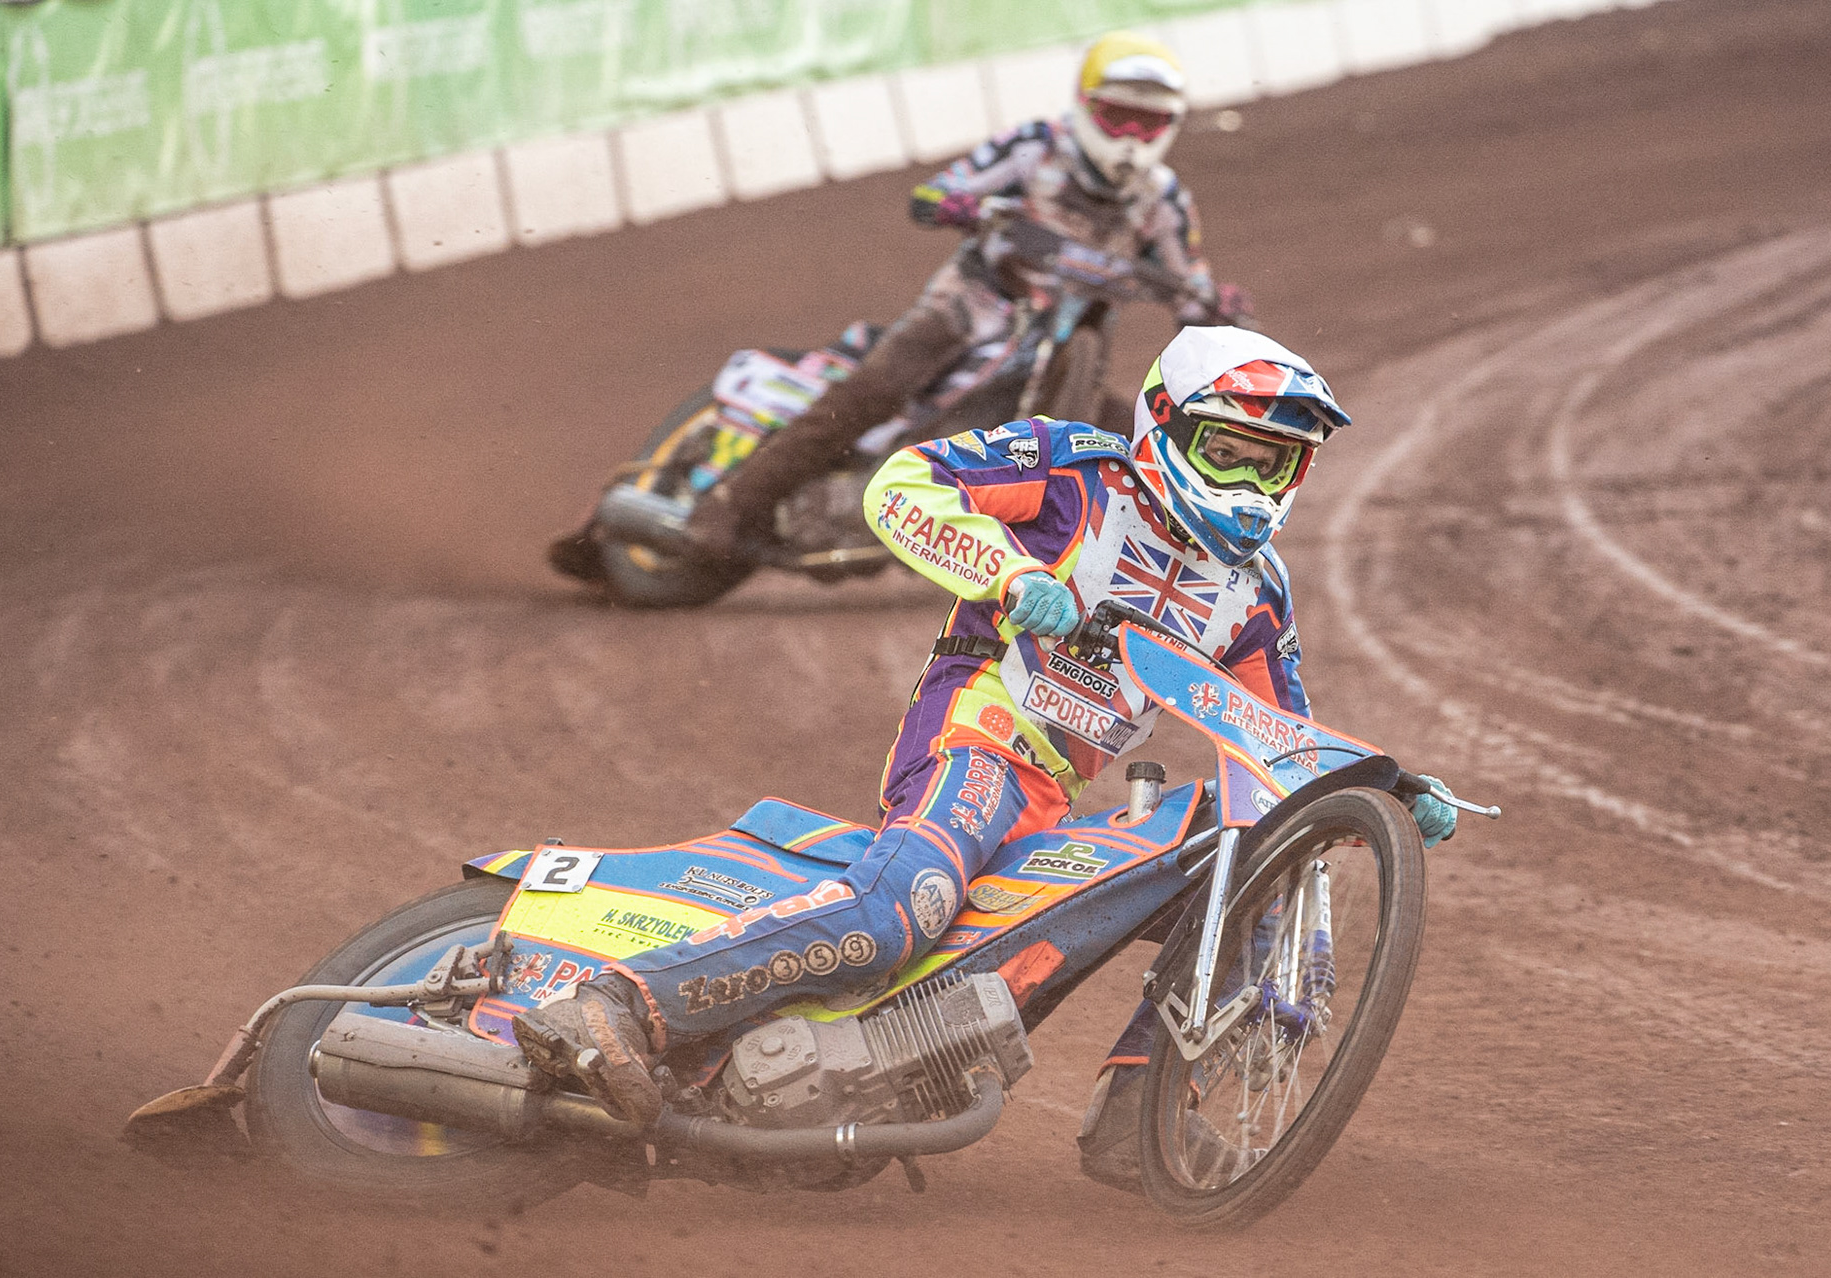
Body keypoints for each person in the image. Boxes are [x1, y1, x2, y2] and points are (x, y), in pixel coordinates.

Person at [513, 326, 1459, 1156]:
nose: (1253, 483)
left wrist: (1373, 791)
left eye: (1277, 463)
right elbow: (904, 484)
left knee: (1250, 857)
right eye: (1231, 451)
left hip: (1057, 788)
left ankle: (1141, 1108)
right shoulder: (1076, 467)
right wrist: (1010, 577)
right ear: (1165, 423)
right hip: (978, 729)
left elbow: (1273, 746)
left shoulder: (1257, 595)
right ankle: (620, 1004)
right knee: (905, 908)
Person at [679, 29, 1243, 561]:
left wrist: (1222, 318)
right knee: (877, 388)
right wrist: (956, 204)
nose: (1129, 139)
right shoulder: (1034, 147)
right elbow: (938, 191)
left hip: (1067, 347)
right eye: (1117, 117)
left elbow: (1189, 292)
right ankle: (728, 504)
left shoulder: (1163, 199)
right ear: (1085, 106)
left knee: (1132, 437)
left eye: (1147, 125)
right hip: (974, 307)